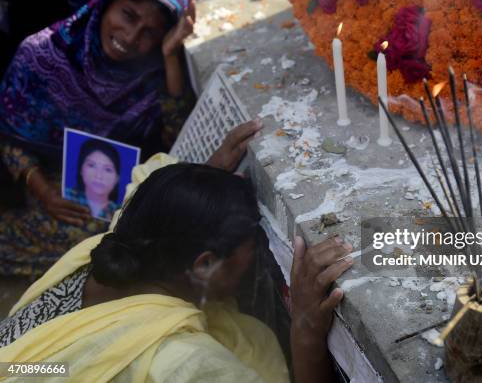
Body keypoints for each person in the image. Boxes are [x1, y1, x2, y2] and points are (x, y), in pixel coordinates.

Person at [0, 151, 354, 383]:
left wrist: (199, 191)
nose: (252, 262)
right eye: (250, 247)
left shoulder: (106, 252)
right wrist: (306, 330)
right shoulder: (178, 362)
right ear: (204, 265)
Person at [0, 0, 202, 277]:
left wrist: (170, 54)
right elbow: (9, 136)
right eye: (128, 15)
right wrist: (44, 192)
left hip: (122, 185)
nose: (132, 37)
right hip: (52, 183)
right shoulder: (43, 54)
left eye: (150, 32)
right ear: (107, 3)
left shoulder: (153, 68)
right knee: (103, 241)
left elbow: (180, 136)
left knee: (134, 235)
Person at [65, 139, 122, 221]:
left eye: (108, 169)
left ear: (117, 178)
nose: (98, 176)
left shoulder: (122, 212)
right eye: (92, 165)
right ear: (81, 169)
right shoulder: (66, 196)